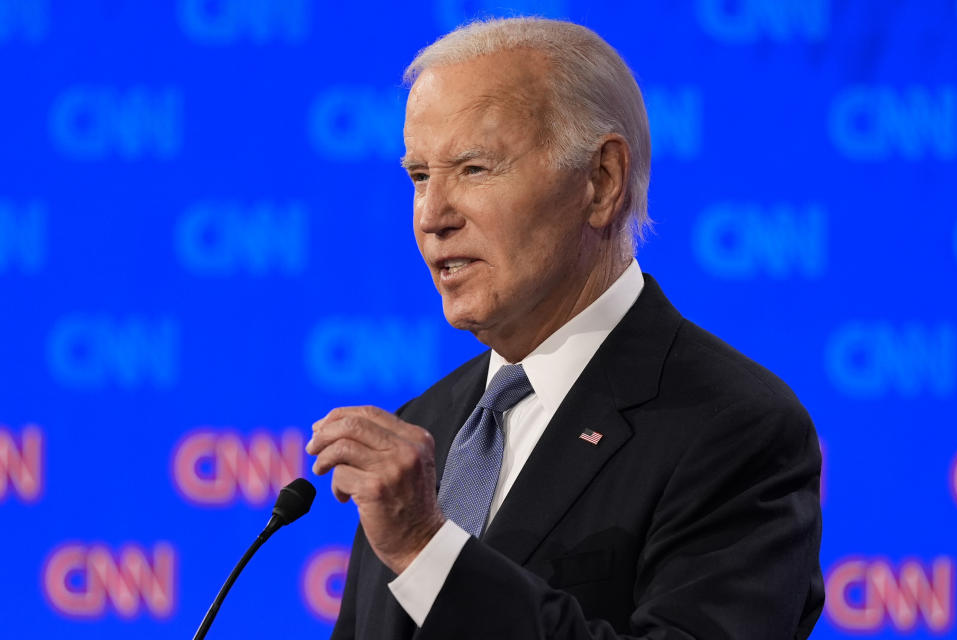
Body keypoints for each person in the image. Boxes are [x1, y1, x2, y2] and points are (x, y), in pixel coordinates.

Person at [306, 17, 823, 639]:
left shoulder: (734, 427)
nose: (432, 216)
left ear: (601, 182)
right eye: (419, 176)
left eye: (473, 168)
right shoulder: (426, 427)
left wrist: (426, 549)